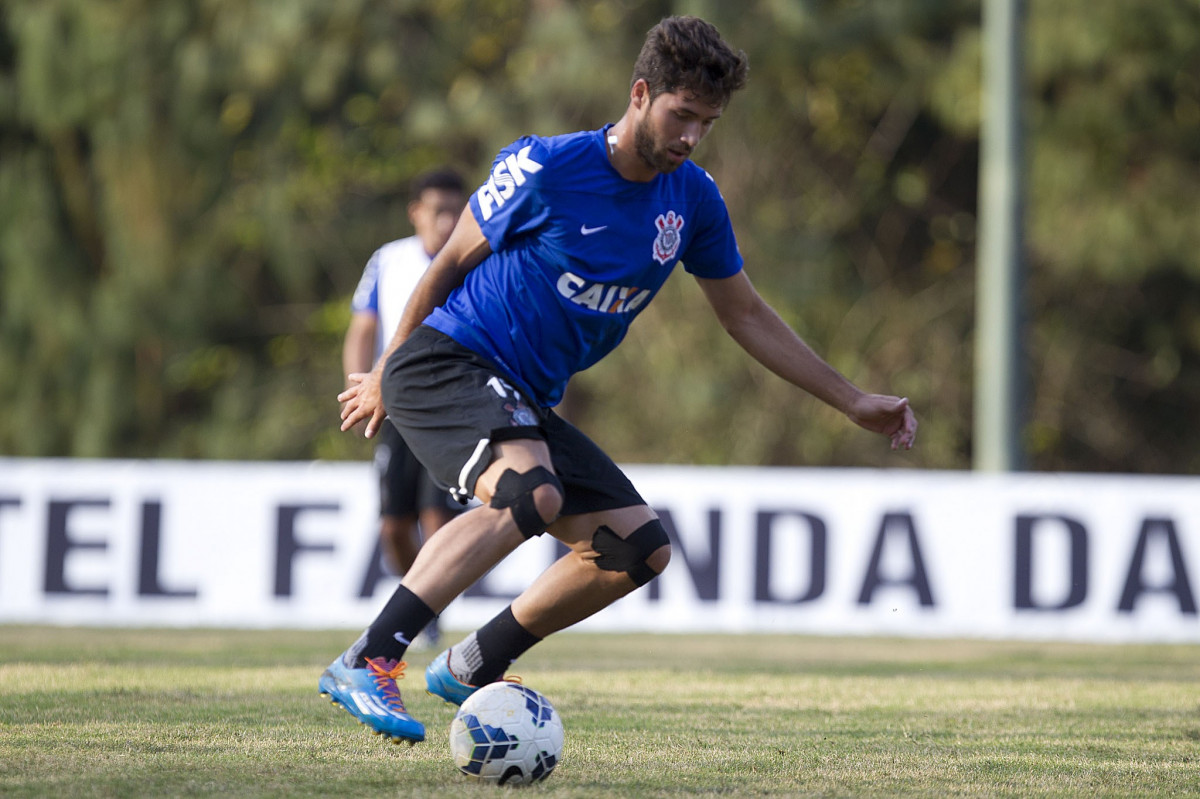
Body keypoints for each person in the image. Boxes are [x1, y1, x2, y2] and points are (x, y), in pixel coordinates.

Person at [321, 15, 917, 744]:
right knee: (529, 493)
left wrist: (853, 399)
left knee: (637, 548)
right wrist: (387, 368)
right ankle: (370, 657)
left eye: (708, 122)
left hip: (524, 398)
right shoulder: (546, 166)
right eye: (682, 114)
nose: (693, 136)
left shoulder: (692, 201)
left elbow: (747, 316)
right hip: (448, 361)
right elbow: (446, 263)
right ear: (641, 94)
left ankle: (474, 662)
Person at [341, 168, 467, 648]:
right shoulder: (389, 260)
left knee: (437, 519)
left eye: (456, 211)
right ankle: (422, 600)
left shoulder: (474, 258)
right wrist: (358, 388)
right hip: (396, 403)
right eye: (439, 210)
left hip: (453, 405)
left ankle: (423, 609)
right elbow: (362, 328)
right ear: (416, 212)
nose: (448, 220)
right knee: (394, 524)